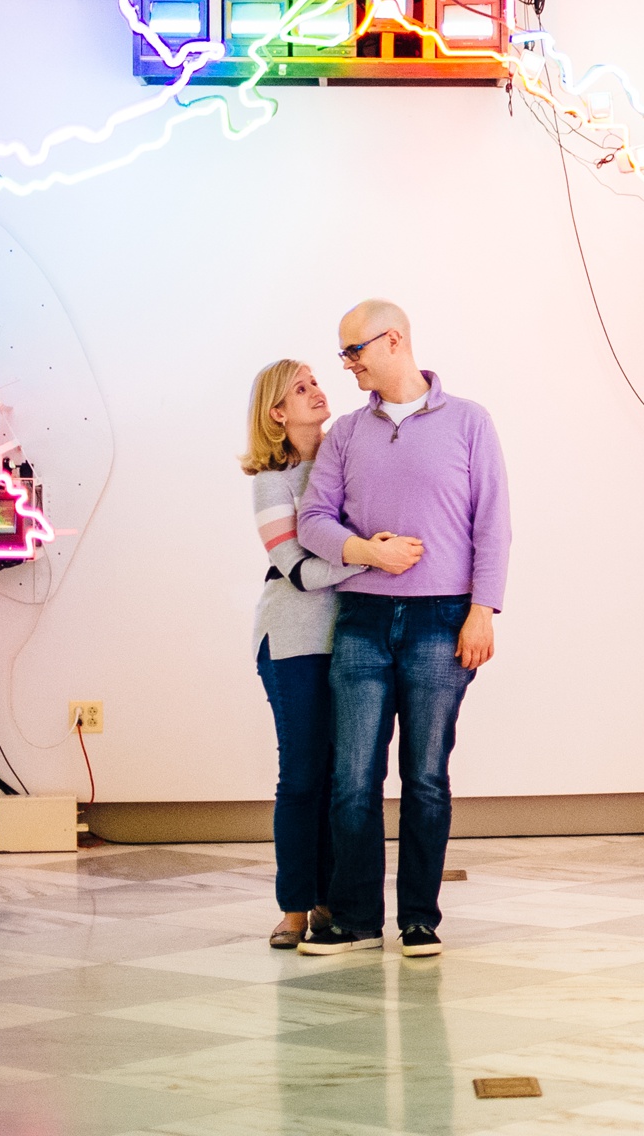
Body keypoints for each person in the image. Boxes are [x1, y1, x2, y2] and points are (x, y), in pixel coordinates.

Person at [296, 300, 509, 958]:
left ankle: (420, 919)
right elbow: (313, 521)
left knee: (424, 777)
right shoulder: (346, 435)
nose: (348, 366)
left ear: (393, 341)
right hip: (360, 620)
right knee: (352, 777)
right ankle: (357, 920)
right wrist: (368, 552)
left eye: (354, 352)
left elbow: (492, 523)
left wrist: (483, 608)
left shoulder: (470, 422)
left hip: (441, 622)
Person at [238, 359, 367, 950]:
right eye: (300, 388)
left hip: (349, 640)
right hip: (293, 643)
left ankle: (327, 902)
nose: (318, 392)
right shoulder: (273, 481)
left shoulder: (345, 463)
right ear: (277, 413)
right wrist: (369, 555)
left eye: (317, 382)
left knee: (343, 778)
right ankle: (294, 906)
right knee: (301, 778)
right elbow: (297, 570)